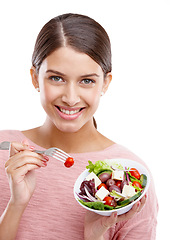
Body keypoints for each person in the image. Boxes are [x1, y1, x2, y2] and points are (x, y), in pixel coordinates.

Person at [0, 13, 158, 240]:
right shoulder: (5, 152)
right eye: (56, 78)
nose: (71, 98)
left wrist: (94, 237)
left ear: (105, 83)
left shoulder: (131, 177)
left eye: (87, 81)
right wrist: (16, 204)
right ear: (35, 78)